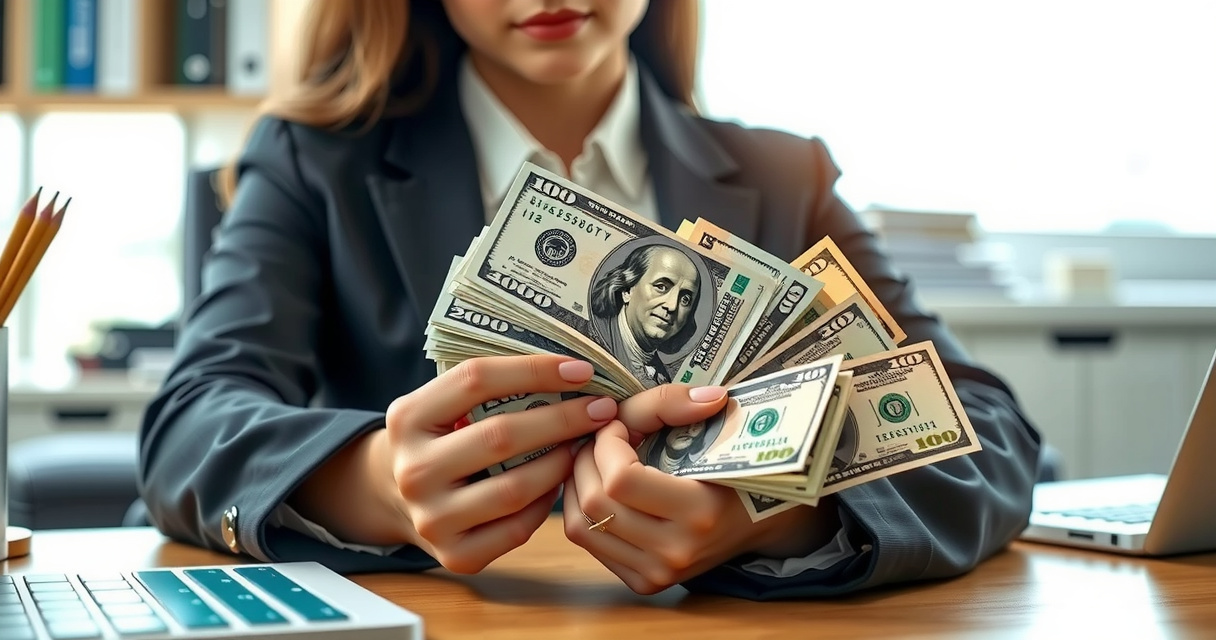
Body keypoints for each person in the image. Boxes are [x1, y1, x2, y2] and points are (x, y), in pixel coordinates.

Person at [138, 0, 1041, 600]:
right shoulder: (313, 160)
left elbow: (986, 431)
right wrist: (377, 483)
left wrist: (781, 516)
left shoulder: (782, 177)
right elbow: (187, 427)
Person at [589, 242, 703, 387]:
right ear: (627, 290)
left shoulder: (663, 378)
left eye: (685, 299)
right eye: (661, 287)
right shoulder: (589, 341)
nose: (672, 305)